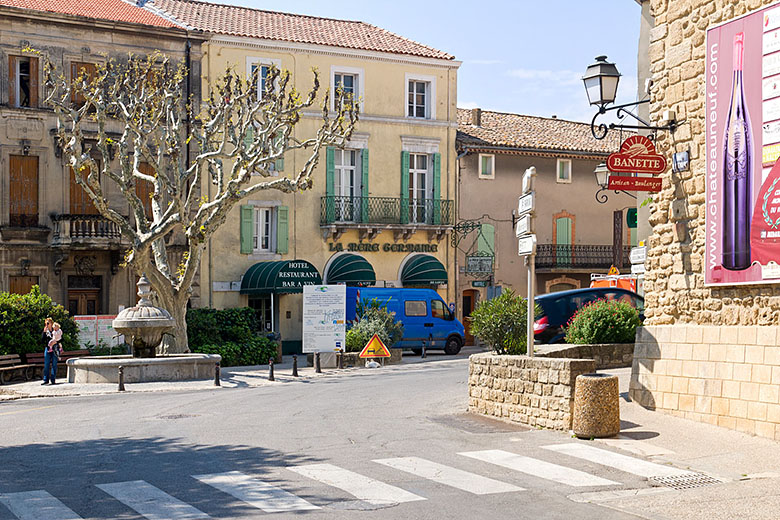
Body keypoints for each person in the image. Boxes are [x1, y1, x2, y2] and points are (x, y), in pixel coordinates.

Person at [41, 317, 60, 385]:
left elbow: (61, 338)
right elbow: (42, 340)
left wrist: (55, 342)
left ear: (51, 323)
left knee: (54, 364)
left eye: (48, 323)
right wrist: (44, 332)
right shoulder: (46, 332)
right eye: (46, 323)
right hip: (48, 349)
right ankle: (46, 380)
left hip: (54, 349)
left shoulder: (56, 330)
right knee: (46, 364)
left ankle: (53, 379)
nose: (47, 324)